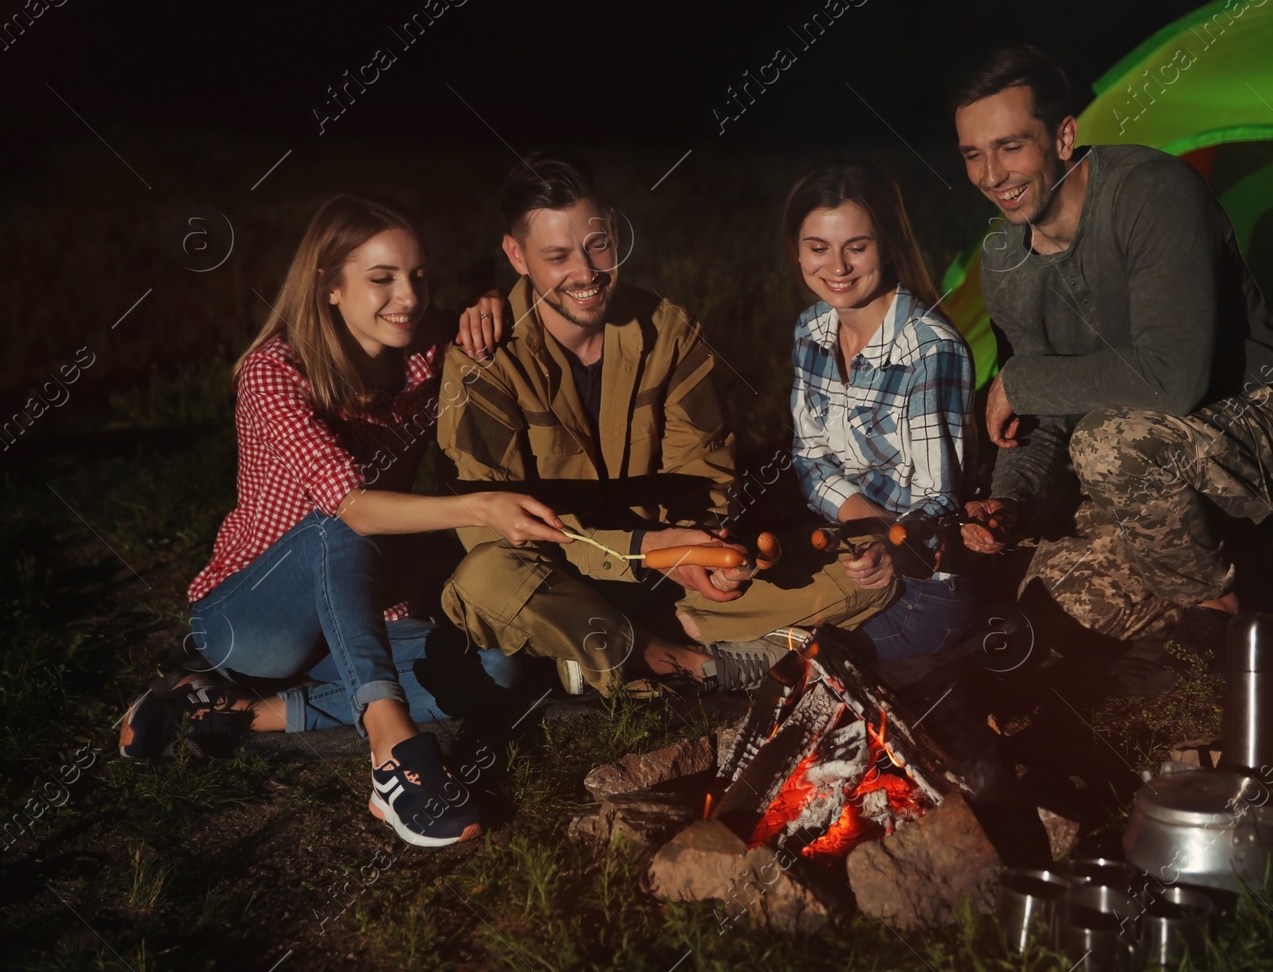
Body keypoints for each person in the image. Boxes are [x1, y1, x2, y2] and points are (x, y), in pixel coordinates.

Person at [120, 195, 571, 848]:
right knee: (341, 523)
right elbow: (353, 505)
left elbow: (487, 309)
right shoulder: (274, 372)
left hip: (359, 613)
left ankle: (243, 709)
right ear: (329, 286)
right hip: (249, 618)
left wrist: (488, 300)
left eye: (418, 275)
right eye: (381, 278)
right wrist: (482, 507)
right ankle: (392, 755)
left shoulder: (423, 349)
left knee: (497, 667)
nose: (408, 296)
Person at [435, 154, 899, 694]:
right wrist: (644, 548)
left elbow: (706, 475)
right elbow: (487, 525)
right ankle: (675, 660)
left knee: (865, 571)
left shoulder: (669, 331)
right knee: (485, 577)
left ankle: (611, 654)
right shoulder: (483, 357)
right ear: (517, 255)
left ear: (613, 228)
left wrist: (709, 555)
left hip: (673, 581)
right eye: (557, 256)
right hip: (556, 576)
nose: (586, 273)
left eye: (598, 246)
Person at [952, 45, 1273, 644]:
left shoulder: (1151, 193)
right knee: (1046, 605)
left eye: (1010, 146)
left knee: (1108, 441)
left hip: (1261, 422)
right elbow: (1043, 420)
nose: (991, 175)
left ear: (1063, 136)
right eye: (974, 154)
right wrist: (1011, 504)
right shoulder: (1005, 260)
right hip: (1138, 468)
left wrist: (1022, 380)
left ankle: (1225, 610)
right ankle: (1240, 561)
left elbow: (1172, 378)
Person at [782, 160, 976, 659]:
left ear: (887, 246)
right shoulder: (811, 330)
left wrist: (890, 544)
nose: (838, 267)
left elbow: (940, 500)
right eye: (818, 248)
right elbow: (808, 458)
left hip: (920, 580)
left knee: (799, 661)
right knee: (704, 611)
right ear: (797, 252)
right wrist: (864, 526)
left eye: (857, 248)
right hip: (845, 556)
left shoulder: (931, 350)